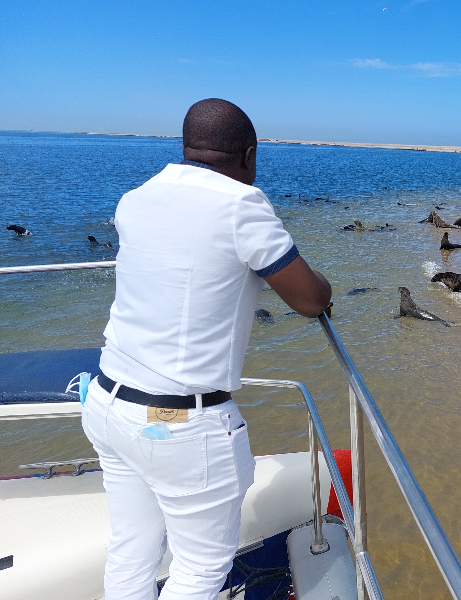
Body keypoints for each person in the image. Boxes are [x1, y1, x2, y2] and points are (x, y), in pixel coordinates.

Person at [81, 98, 332, 600]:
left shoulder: (137, 197)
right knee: (197, 570)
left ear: (187, 147)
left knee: (131, 552)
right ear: (249, 155)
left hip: (109, 404)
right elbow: (310, 299)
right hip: (181, 427)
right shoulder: (241, 204)